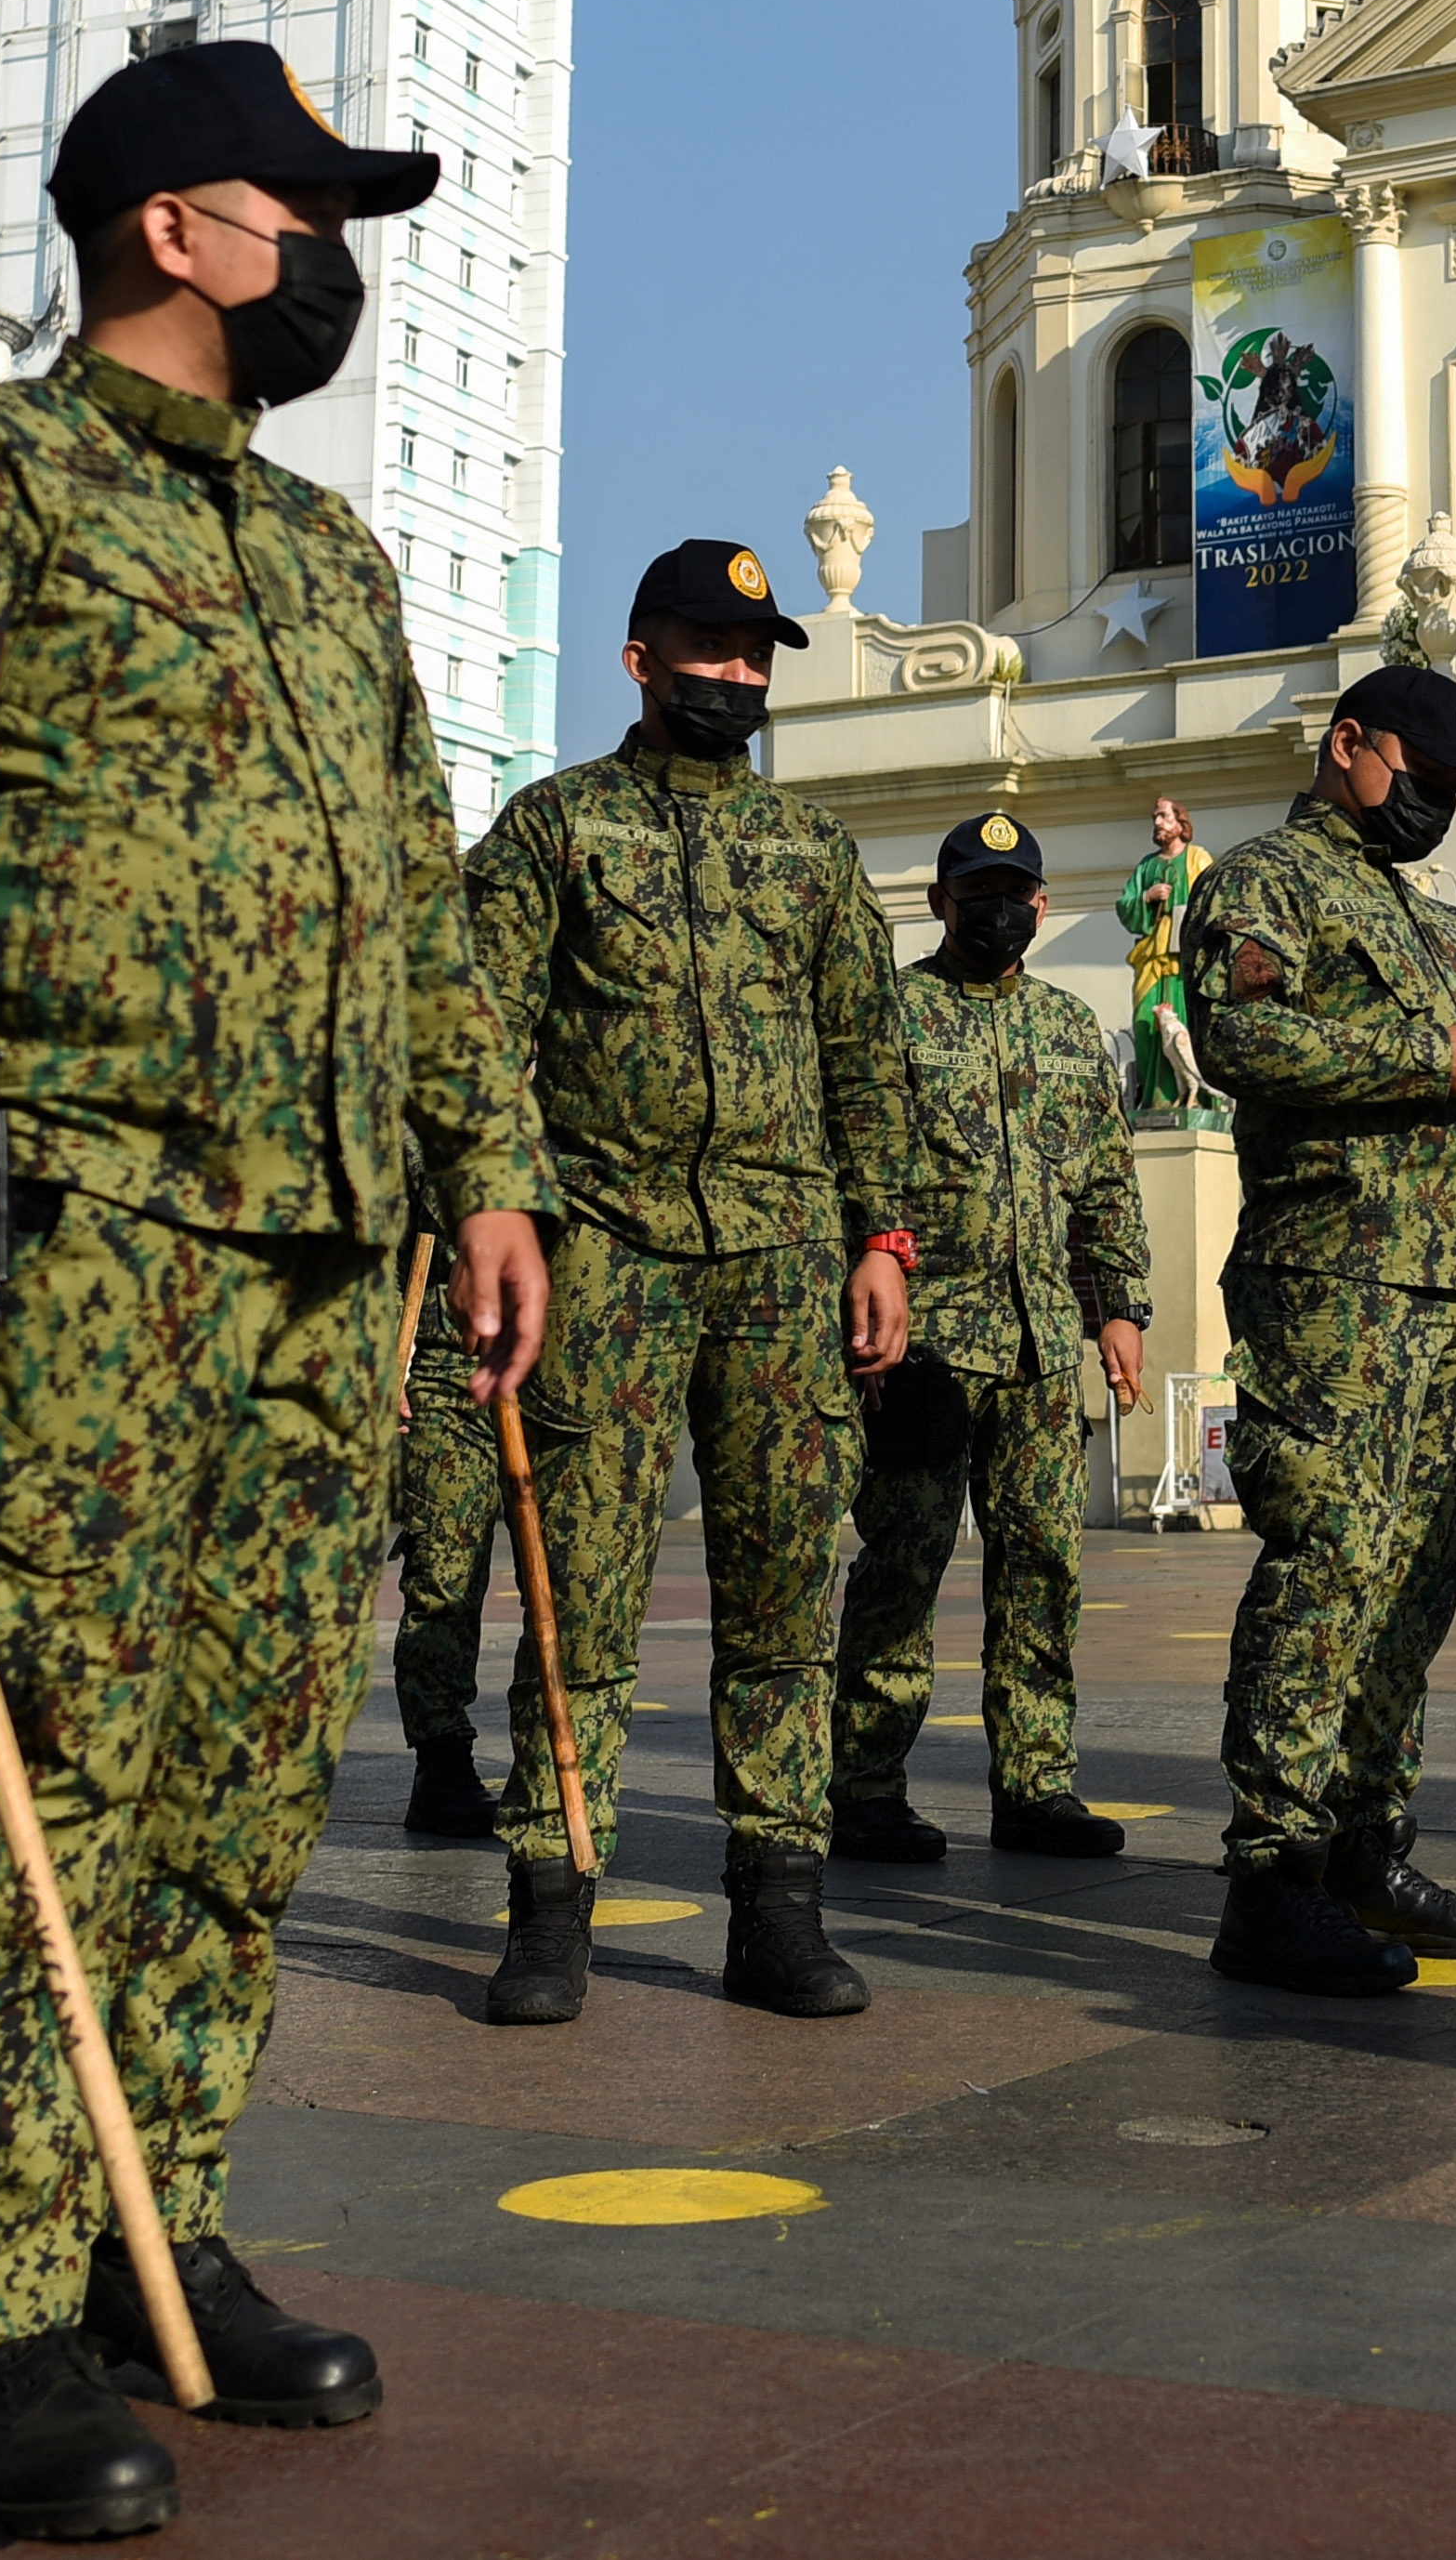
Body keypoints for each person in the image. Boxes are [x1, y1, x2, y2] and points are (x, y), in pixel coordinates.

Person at [0, 40, 553, 2540]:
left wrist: (488, 1169)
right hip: (79, 1229)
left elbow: (416, 904)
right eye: (301, 211)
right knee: (46, 1767)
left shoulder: (326, 559)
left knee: (234, 1771)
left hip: (327, 1250)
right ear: (172, 229)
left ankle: (146, 2222)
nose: (336, 256)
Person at [460, 539, 911, 2028]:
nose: (739, 676)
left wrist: (881, 1240)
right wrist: (495, 1213)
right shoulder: (552, 831)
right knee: (573, 1586)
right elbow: (477, 1038)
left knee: (786, 1586)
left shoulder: (810, 848)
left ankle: (777, 1903)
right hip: (605, 1251)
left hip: (784, 1261)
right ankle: (551, 1899)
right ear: (641, 656)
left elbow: (865, 1055)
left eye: (756, 654)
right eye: (710, 649)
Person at [1179, 664, 1456, 1993]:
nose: (1434, 805)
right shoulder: (1259, 885)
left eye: (1452, 790)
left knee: (1413, 1584)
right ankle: (1269, 1876)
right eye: (1418, 777)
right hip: (1331, 1292)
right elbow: (1236, 1037)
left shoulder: (1436, 929)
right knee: (1326, 1565)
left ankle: (1368, 1844)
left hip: (1446, 1296)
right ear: (1347, 743)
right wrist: (1437, 1056)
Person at [827, 812, 1151, 1864]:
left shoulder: (1069, 1026)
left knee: (1043, 1567)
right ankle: (868, 1783)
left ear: (1043, 906)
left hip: (1042, 1348)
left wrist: (1120, 1308)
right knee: (902, 1567)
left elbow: (1106, 1179)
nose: (999, 910)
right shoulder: (891, 1016)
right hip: (924, 1349)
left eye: (1016, 893)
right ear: (940, 902)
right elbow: (853, 1167)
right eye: (977, 894)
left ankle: (1035, 1784)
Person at [381, 1196, 505, 1841]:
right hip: (444, 1348)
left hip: (573, 1338)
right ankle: (442, 1764)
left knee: (584, 1576)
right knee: (443, 1569)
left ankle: (562, 1762)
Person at [1118, 794, 1212, 1117]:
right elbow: (1125, 904)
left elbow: (1213, 903)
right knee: (1146, 1024)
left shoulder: (1198, 859)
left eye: (1164, 816)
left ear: (1181, 823)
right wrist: (1147, 896)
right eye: (1155, 818)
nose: (1158, 823)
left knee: (1187, 1026)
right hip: (1151, 959)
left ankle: (1196, 1097)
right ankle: (1154, 1098)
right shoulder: (1147, 866)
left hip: (1186, 962)